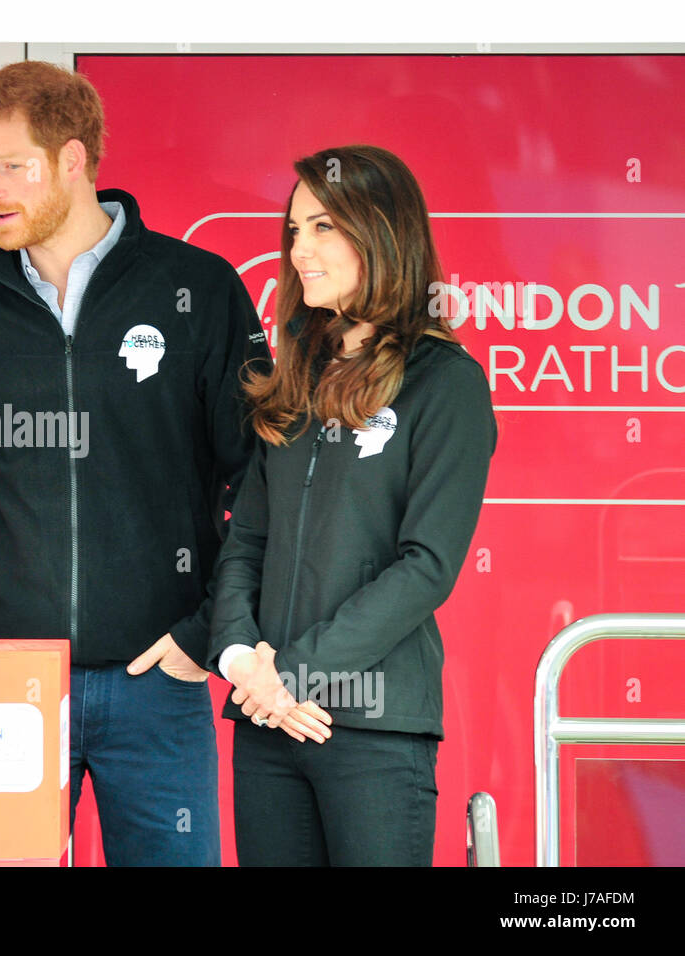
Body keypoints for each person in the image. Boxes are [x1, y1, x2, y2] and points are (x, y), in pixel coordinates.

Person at [0, 60, 269, 866]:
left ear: (74, 160)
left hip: (161, 676)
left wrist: (205, 626)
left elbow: (257, 471)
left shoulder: (196, 288)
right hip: (6, 680)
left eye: (14, 166)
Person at [208, 144, 496, 866]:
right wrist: (244, 661)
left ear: (381, 234)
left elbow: (426, 565)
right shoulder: (295, 374)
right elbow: (247, 542)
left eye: (324, 227)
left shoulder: (446, 382)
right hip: (267, 725)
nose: (300, 248)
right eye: (295, 230)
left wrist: (292, 674)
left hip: (374, 727)